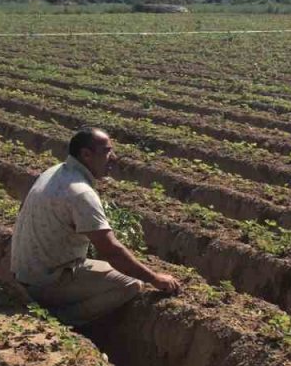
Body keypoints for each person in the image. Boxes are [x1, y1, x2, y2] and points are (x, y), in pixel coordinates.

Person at [12, 127, 181, 325]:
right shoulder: (81, 193)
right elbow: (110, 250)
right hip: (47, 281)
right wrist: (154, 278)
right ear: (86, 155)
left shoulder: (54, 172)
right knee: (131, 283)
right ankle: (61, 320)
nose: (114, 157)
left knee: (113, 268)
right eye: (107, 151)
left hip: (26, 271)